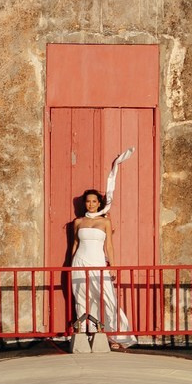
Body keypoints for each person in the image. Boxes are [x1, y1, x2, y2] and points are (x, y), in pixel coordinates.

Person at [65, 147, 133, 345]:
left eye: (94, 201)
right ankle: (86, 333)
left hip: (97, 261)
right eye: (88, 201)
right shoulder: (78, 222)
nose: (90, 204)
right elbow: (75, 245)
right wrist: (70, 265)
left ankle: (113, 334)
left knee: (106, 297)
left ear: (99, 202)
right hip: (79, 262)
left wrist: (113, 265)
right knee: (82, 296)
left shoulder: (105, 222)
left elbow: (109, 247)